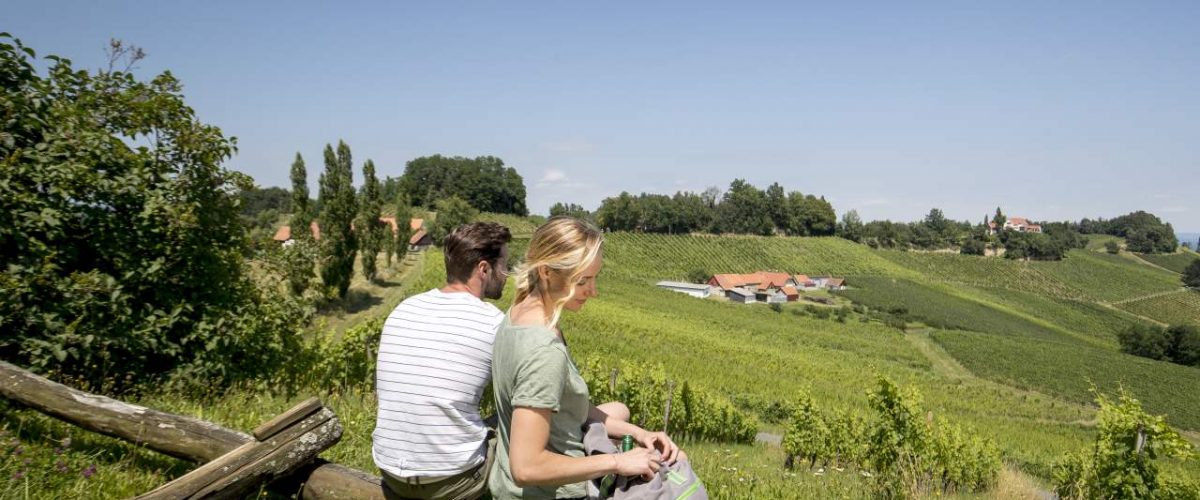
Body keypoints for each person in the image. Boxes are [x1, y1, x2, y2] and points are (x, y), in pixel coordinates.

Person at [489, 217, 684, 499]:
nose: (593, 291)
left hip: (510, 490)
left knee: (619, 409)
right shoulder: (543, 350)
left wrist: (640, 434)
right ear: (546, 272)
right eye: (582, 280)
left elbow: (572, 408)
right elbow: (527, 466)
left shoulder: (519, 315)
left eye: (594, 277)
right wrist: (618, 462)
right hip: (547, 494)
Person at [373, 222, 512, 499]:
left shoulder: (405, 307)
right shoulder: (494, 322)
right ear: (484, 269)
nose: (507, 274)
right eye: (504, 264)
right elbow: (527, 396)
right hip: (453, 481)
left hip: (391, 471)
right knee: (526, 418)